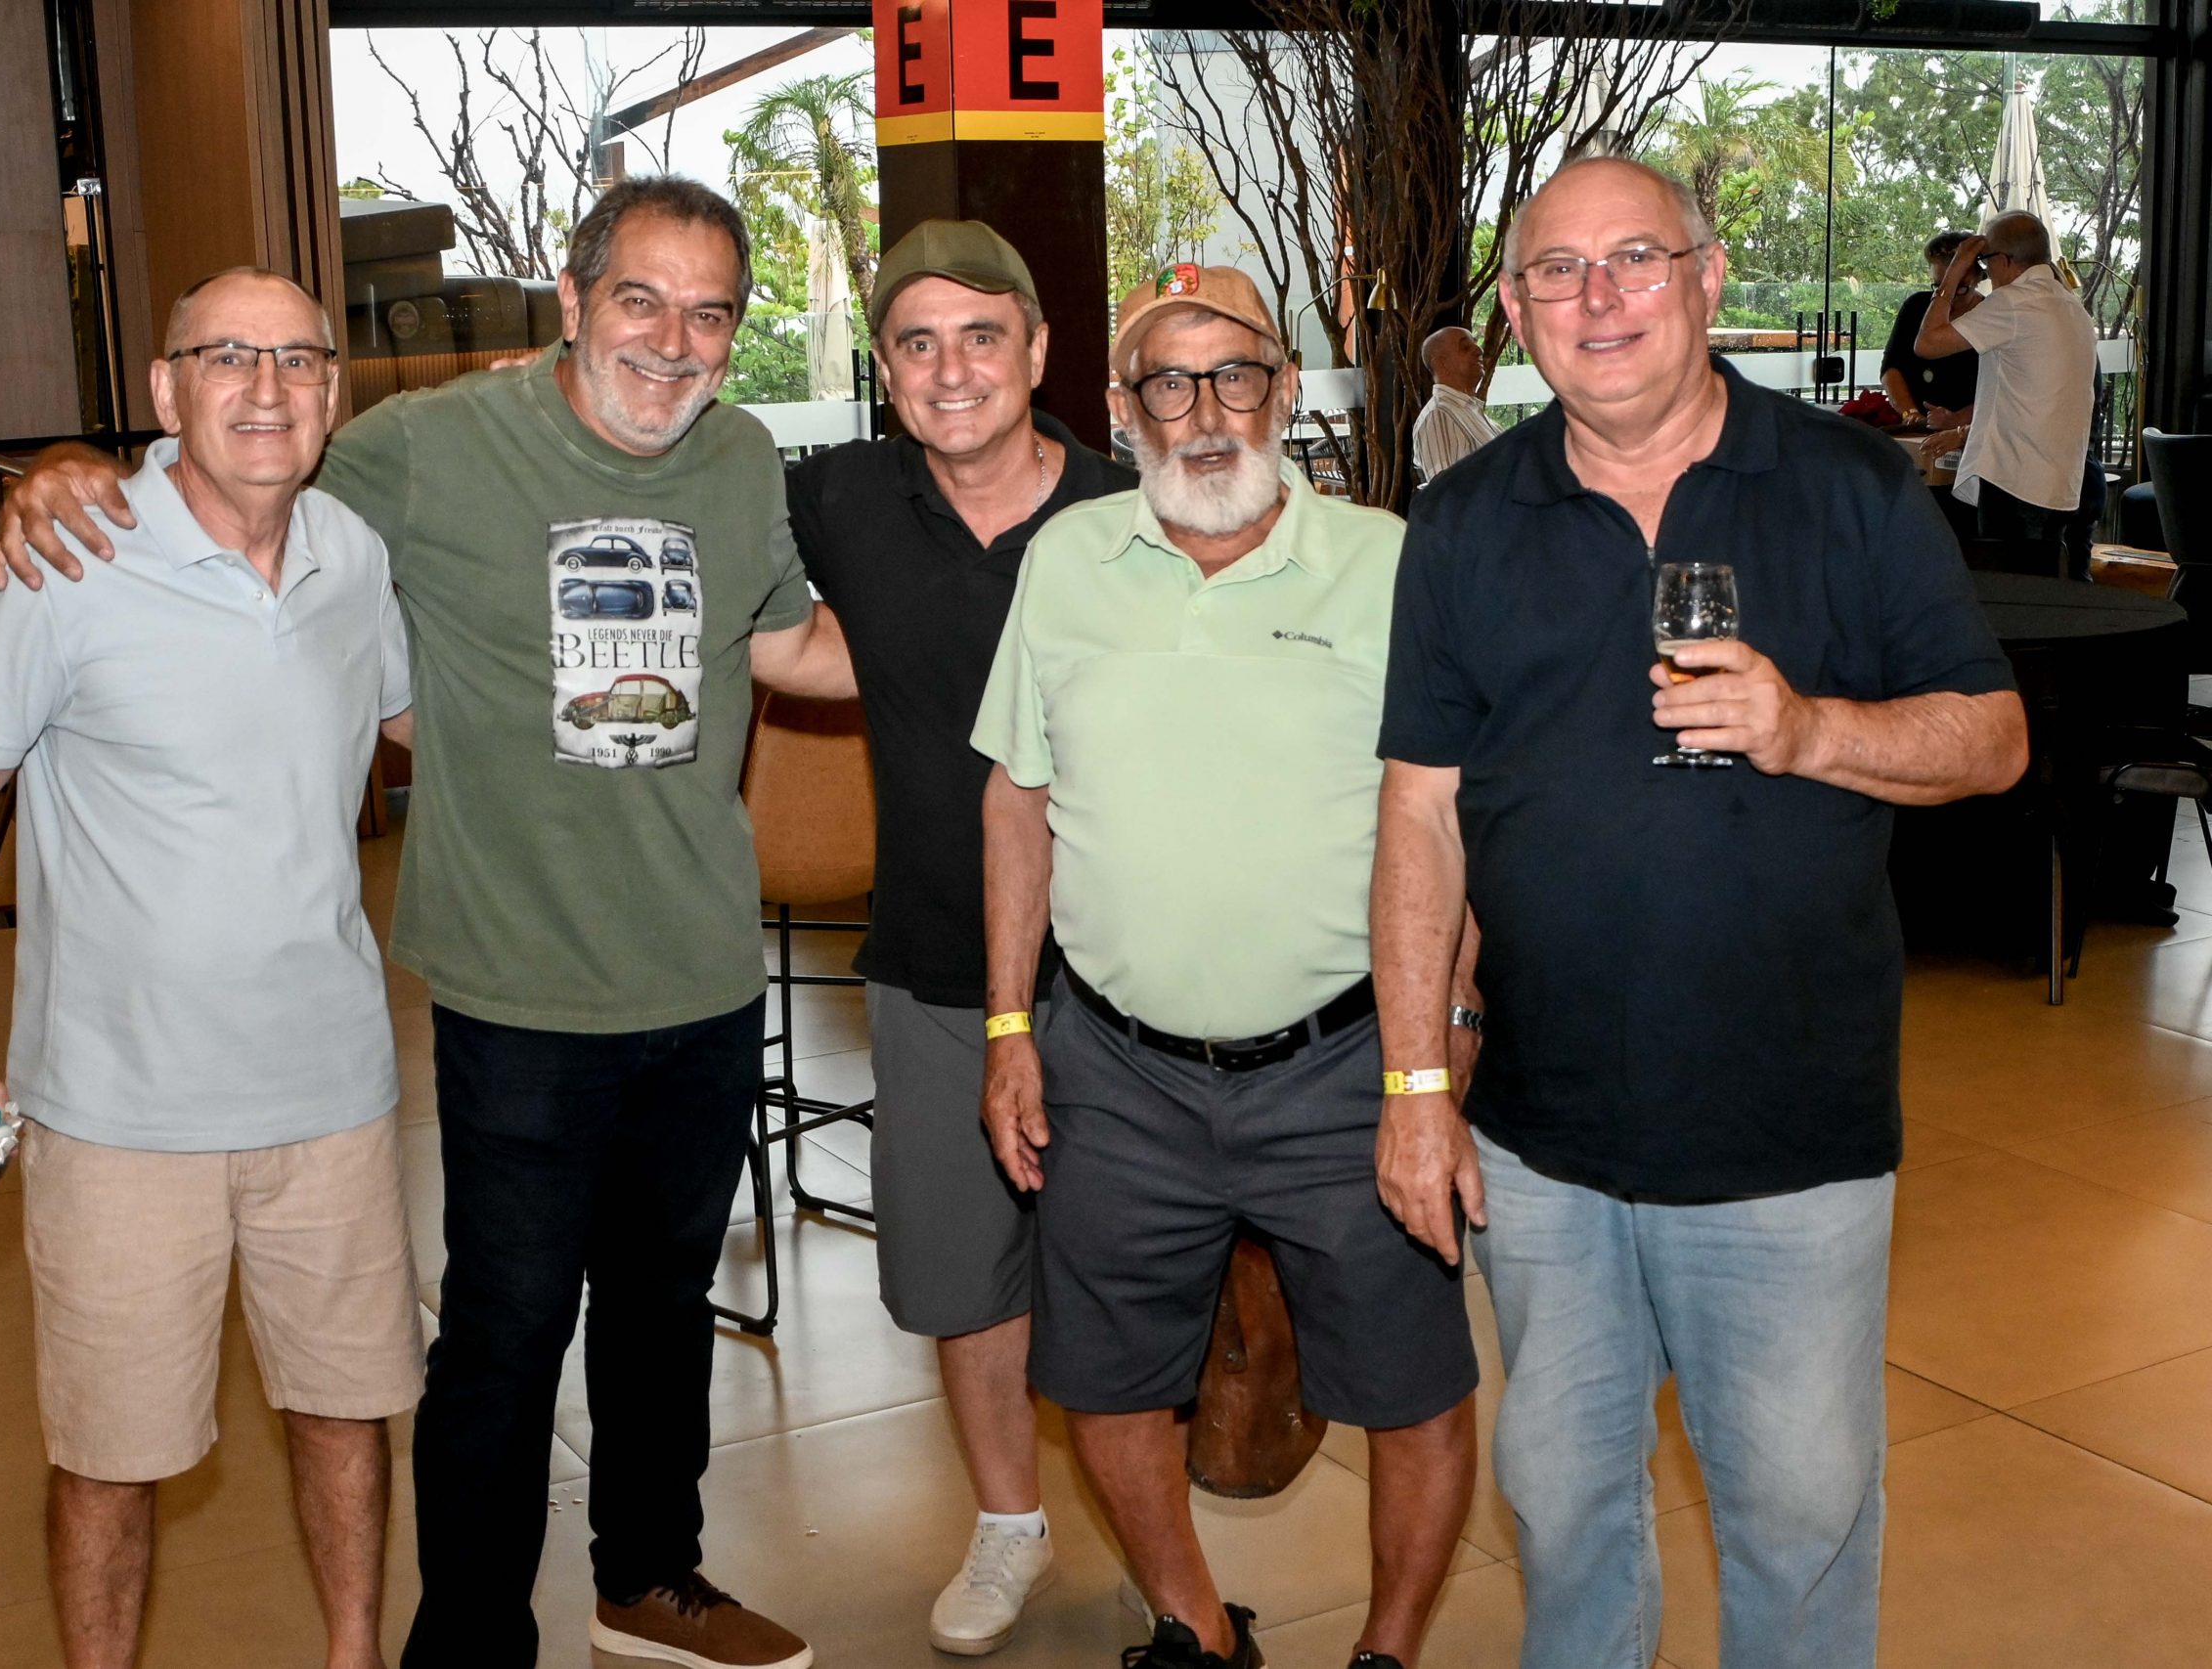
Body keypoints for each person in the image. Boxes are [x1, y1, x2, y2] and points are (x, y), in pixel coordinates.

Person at [0, 178, 854, 1669]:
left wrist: (981, 624)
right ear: (573, 301)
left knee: (663, 1309)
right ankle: (467, 1638)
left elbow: (786, 642)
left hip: (701, 973)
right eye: (640, 300)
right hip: (517, 986)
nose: (673, 340)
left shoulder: (737, 457)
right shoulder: (432, 444)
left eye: (709, 312)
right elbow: (243, 457)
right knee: (507, 1329)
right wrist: (79, 467)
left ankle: (650, 1577)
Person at [1375, 156, 2025, 1669]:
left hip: (1789, 1131)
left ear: (1710, 278)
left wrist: (1809, 730)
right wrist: (1413, 1083)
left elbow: (1993, 738)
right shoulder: (1464, 519)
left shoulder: (1849, 487)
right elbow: (1420, 814)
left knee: (1798, 1517)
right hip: (1541, 1142)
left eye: (1637, 259)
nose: (1598, 298)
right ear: (1516, 307)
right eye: (1557, 271)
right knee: (1563, 1505)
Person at [0, 268, 422, 1669]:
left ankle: (354, 1654)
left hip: (332, 1095)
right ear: (164, 389)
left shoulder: (351, 555)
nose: (265, 387)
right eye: (226, 356)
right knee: (110, 1456)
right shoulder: (71, 556)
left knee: (346, 1406)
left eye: (298, 359)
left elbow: (420, 725)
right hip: (119, 1116)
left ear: (333, 391)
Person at [976, 263, 1481, 1669]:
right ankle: (1197, 1628)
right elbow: (1016, 798)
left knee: (1413, 1384)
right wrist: (1010, 1026)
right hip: (1113, 1068)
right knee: (1102, 1380)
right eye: (1167, 382)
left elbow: (1452, 815)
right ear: (1122, 406)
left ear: (1286, 388)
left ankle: (1388, 1649)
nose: (1204, 412)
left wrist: (1441, 1036)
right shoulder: (1067, 561)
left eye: (1235, 374)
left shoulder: (1387, 561)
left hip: (1345, 1062)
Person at [783, 218, 1133, 1657]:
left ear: (1038, 350)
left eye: (981, 336)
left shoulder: (1127, 509)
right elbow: (666, 496)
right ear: (884, 369)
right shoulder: (840, 497)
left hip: (1123, 971)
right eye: (916, 343)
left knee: (1131, 1268)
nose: (951, 369)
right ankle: (1008, 1523)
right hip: (934, 955)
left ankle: (1156, 1540)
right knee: (959, 1272)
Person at [1915, 209, 2100, 566]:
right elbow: (2034, 398)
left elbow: (1927, 343)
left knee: (2008, 593)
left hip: (2015, 481)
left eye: (1984, 261)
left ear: (2004, 260)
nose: (1985, 272)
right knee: (2040, 590)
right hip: (2059, 483)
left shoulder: (2014, 302)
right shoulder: (2071, 306)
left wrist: (1952, 274)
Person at [1879, 230, 1982, 433]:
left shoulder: (1991, 316)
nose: (1949, 297)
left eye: (1960, 288)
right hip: (1914, 427)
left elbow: (1998, 389)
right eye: (1939, 287)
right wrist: (1910, 413)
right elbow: (1892, 367)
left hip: (1968, 431)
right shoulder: (1916, 307)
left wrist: (1957, 420)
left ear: (1979, 278)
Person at [1409, 326, 1500, 482]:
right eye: (1465, 348)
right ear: (1441, 364)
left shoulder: (1471, 413)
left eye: (1475, 344)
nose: (1479, 351)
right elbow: (1446, 492)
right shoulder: (1439, 416)